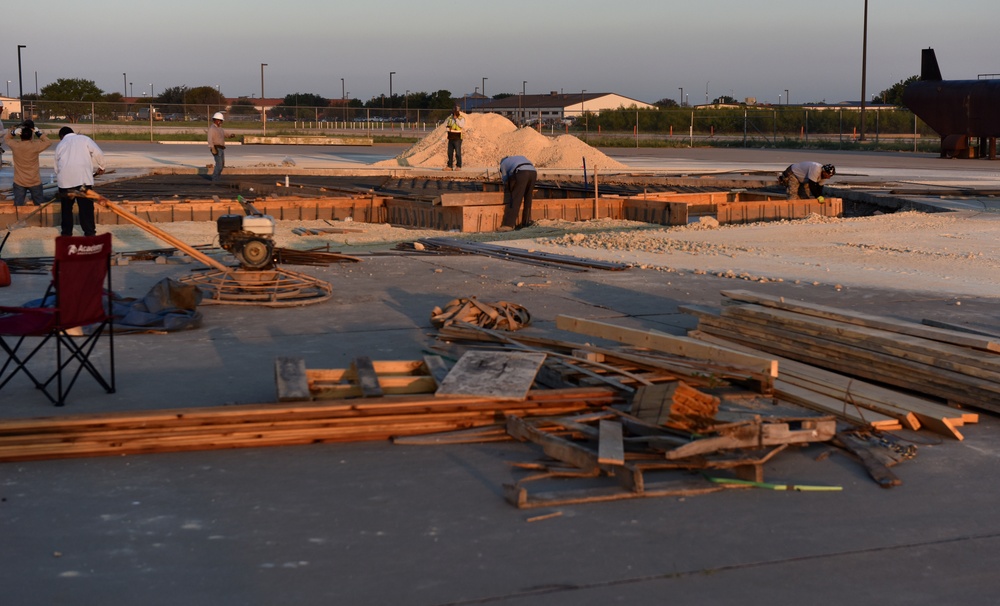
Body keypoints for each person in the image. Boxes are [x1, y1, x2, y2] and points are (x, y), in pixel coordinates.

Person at [54, 126, 105, 237]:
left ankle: (66, 234)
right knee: (86, 209)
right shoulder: (84, 139)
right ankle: (89, 233)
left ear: (61, 136)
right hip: (83, 181)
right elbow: (98, 153)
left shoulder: (60, 145)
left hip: (65, 182)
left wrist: (62, 177)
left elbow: (56, 167)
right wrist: (102, 166)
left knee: (66, 209)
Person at [5, 120, 52, 206]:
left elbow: (6, 138)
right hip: (34, 181)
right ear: (31, 136)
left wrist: (13, 133)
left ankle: (18, 219)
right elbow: (48, 142)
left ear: (20, 136)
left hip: (19, 181)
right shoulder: (35, 146)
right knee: (39, 205)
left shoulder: (16, 146)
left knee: (18, 206)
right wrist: (38, 133)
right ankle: (40, 218)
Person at [498, 155, 537, 231]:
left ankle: (508, 225)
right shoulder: (518, 158)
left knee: (516, 199)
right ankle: (526, 222)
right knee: (528, 198)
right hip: (533, 172)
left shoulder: (503, 164)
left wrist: (509, 190)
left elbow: (505, 179)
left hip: (522, 173)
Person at [444, 105, 466, 171]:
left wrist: (456, 119)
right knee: (449, 152)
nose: (454, 113)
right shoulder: (450, 118)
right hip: (451, 137)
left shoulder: (461, 118)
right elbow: (446, 124)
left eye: (455, 111)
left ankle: (458, 166)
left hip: (458, 137)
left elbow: (461, 125)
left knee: (458, 153)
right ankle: (449, 166)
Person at [207, 112, 227, 181]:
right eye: (220, 120)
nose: (221, 122)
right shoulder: (212, 129)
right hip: (216, 148)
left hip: (221, 148)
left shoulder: (220, 128)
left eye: (221, 121)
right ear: (216, 120)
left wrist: (230, 135)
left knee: (222, 164)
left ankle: (217, 177)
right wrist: (212, 148)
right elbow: (210, 139)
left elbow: (224, 134)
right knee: (219, 165)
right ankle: (215, 179)